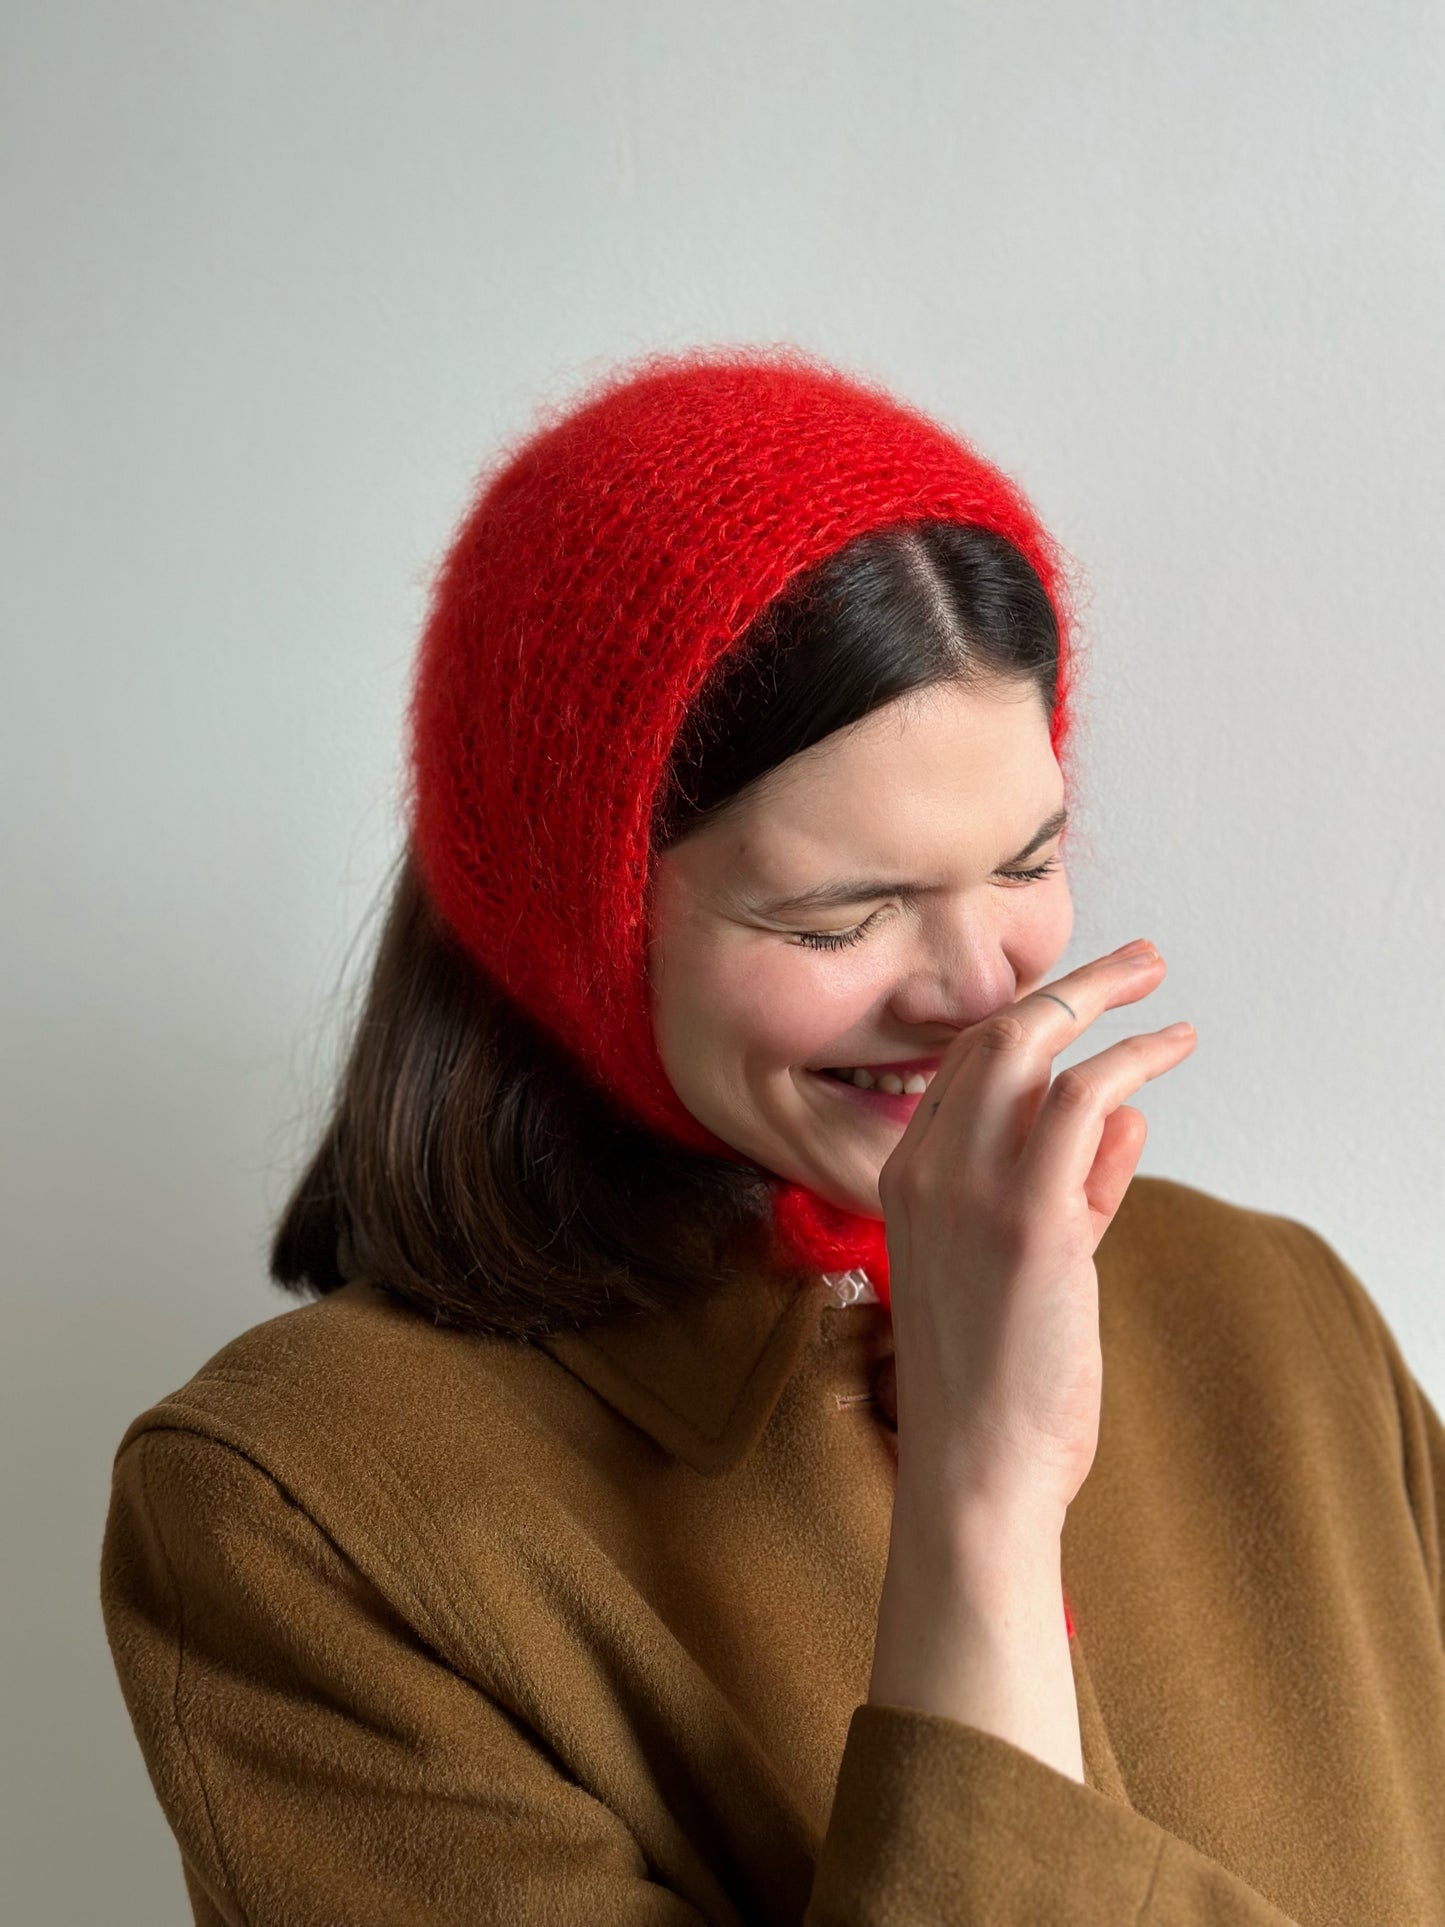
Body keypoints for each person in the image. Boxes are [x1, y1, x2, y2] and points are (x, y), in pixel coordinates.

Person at [99, 347, 1445, 1925]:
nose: (979, 991)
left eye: (1025, 863)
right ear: (584, 921)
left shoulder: (1274, 1316)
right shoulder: (304, 1510)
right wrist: (980, 1507)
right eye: (844, 915)